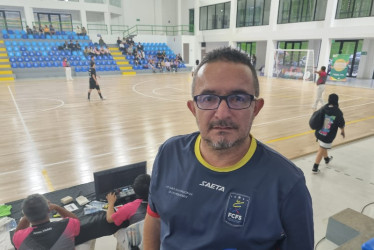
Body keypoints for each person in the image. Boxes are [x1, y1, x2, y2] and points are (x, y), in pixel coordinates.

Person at [143, 47, 314, 250]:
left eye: (238, 98)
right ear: (193, 108)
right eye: (208, 98)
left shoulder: (287, 183)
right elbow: (154, 219)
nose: (222, 113)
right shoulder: (169, 153)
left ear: (256, 108)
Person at [12, 194, 80, 250]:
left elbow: (16, 235)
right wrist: (56, 207)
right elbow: (75, 220)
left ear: (25, 215)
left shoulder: (19, 238)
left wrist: (28, 213)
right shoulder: (68, 225)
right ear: (49, 210)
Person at [312, 93, 345, 173]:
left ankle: (327, 159)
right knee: (321, 149)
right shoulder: (338, 112)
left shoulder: (324, 107)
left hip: (319, 132)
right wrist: (342, 131)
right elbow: (341, 123)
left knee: (323, 146)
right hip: (327, 135)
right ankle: (315, 168)